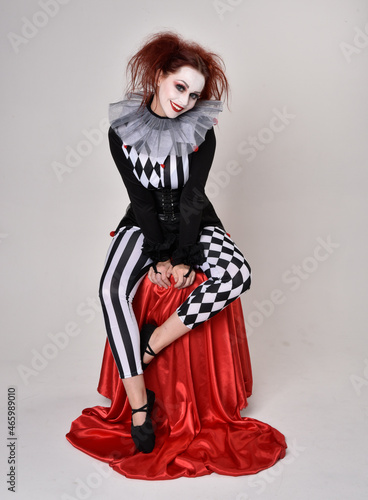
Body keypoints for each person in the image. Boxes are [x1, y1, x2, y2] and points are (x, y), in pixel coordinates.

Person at [99, 32, 251, 454]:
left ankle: (152, 343)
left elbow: (192, 198)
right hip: (144, 224)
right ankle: (139, 405)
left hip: (194, 223)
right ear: (160, 75)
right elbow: (140, 199)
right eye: (179, 86)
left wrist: (183, 256)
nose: (184, 100)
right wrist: (158, 254)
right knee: (110, 290)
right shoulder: (122, 132)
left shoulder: (203, 133)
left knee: (238, 274)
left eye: (194, 93)